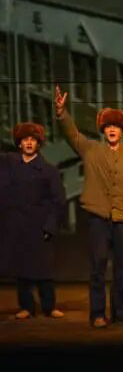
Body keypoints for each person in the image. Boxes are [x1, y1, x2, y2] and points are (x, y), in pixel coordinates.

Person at [54, 86, 123, 329]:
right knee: (98, 266)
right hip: (97, 218)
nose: (112, 130)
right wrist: (62, 113)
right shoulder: (91, 149)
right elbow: (72, 134)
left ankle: (121, 312)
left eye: (116, 126)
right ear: (103, 130)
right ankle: (97, 314)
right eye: (108, 126)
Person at [0, 123, 66, 319]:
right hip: (17, 226)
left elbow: (58, 201)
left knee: (43, 269)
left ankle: (49, 306)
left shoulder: (48, 170)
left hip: (40, 226)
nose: (29, 143)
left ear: (38, 143)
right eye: (25, 140)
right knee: (22, 270)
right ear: (19, 144)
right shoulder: (10, 166)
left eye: (33, 140)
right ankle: (26, 307)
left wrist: (50, 226)